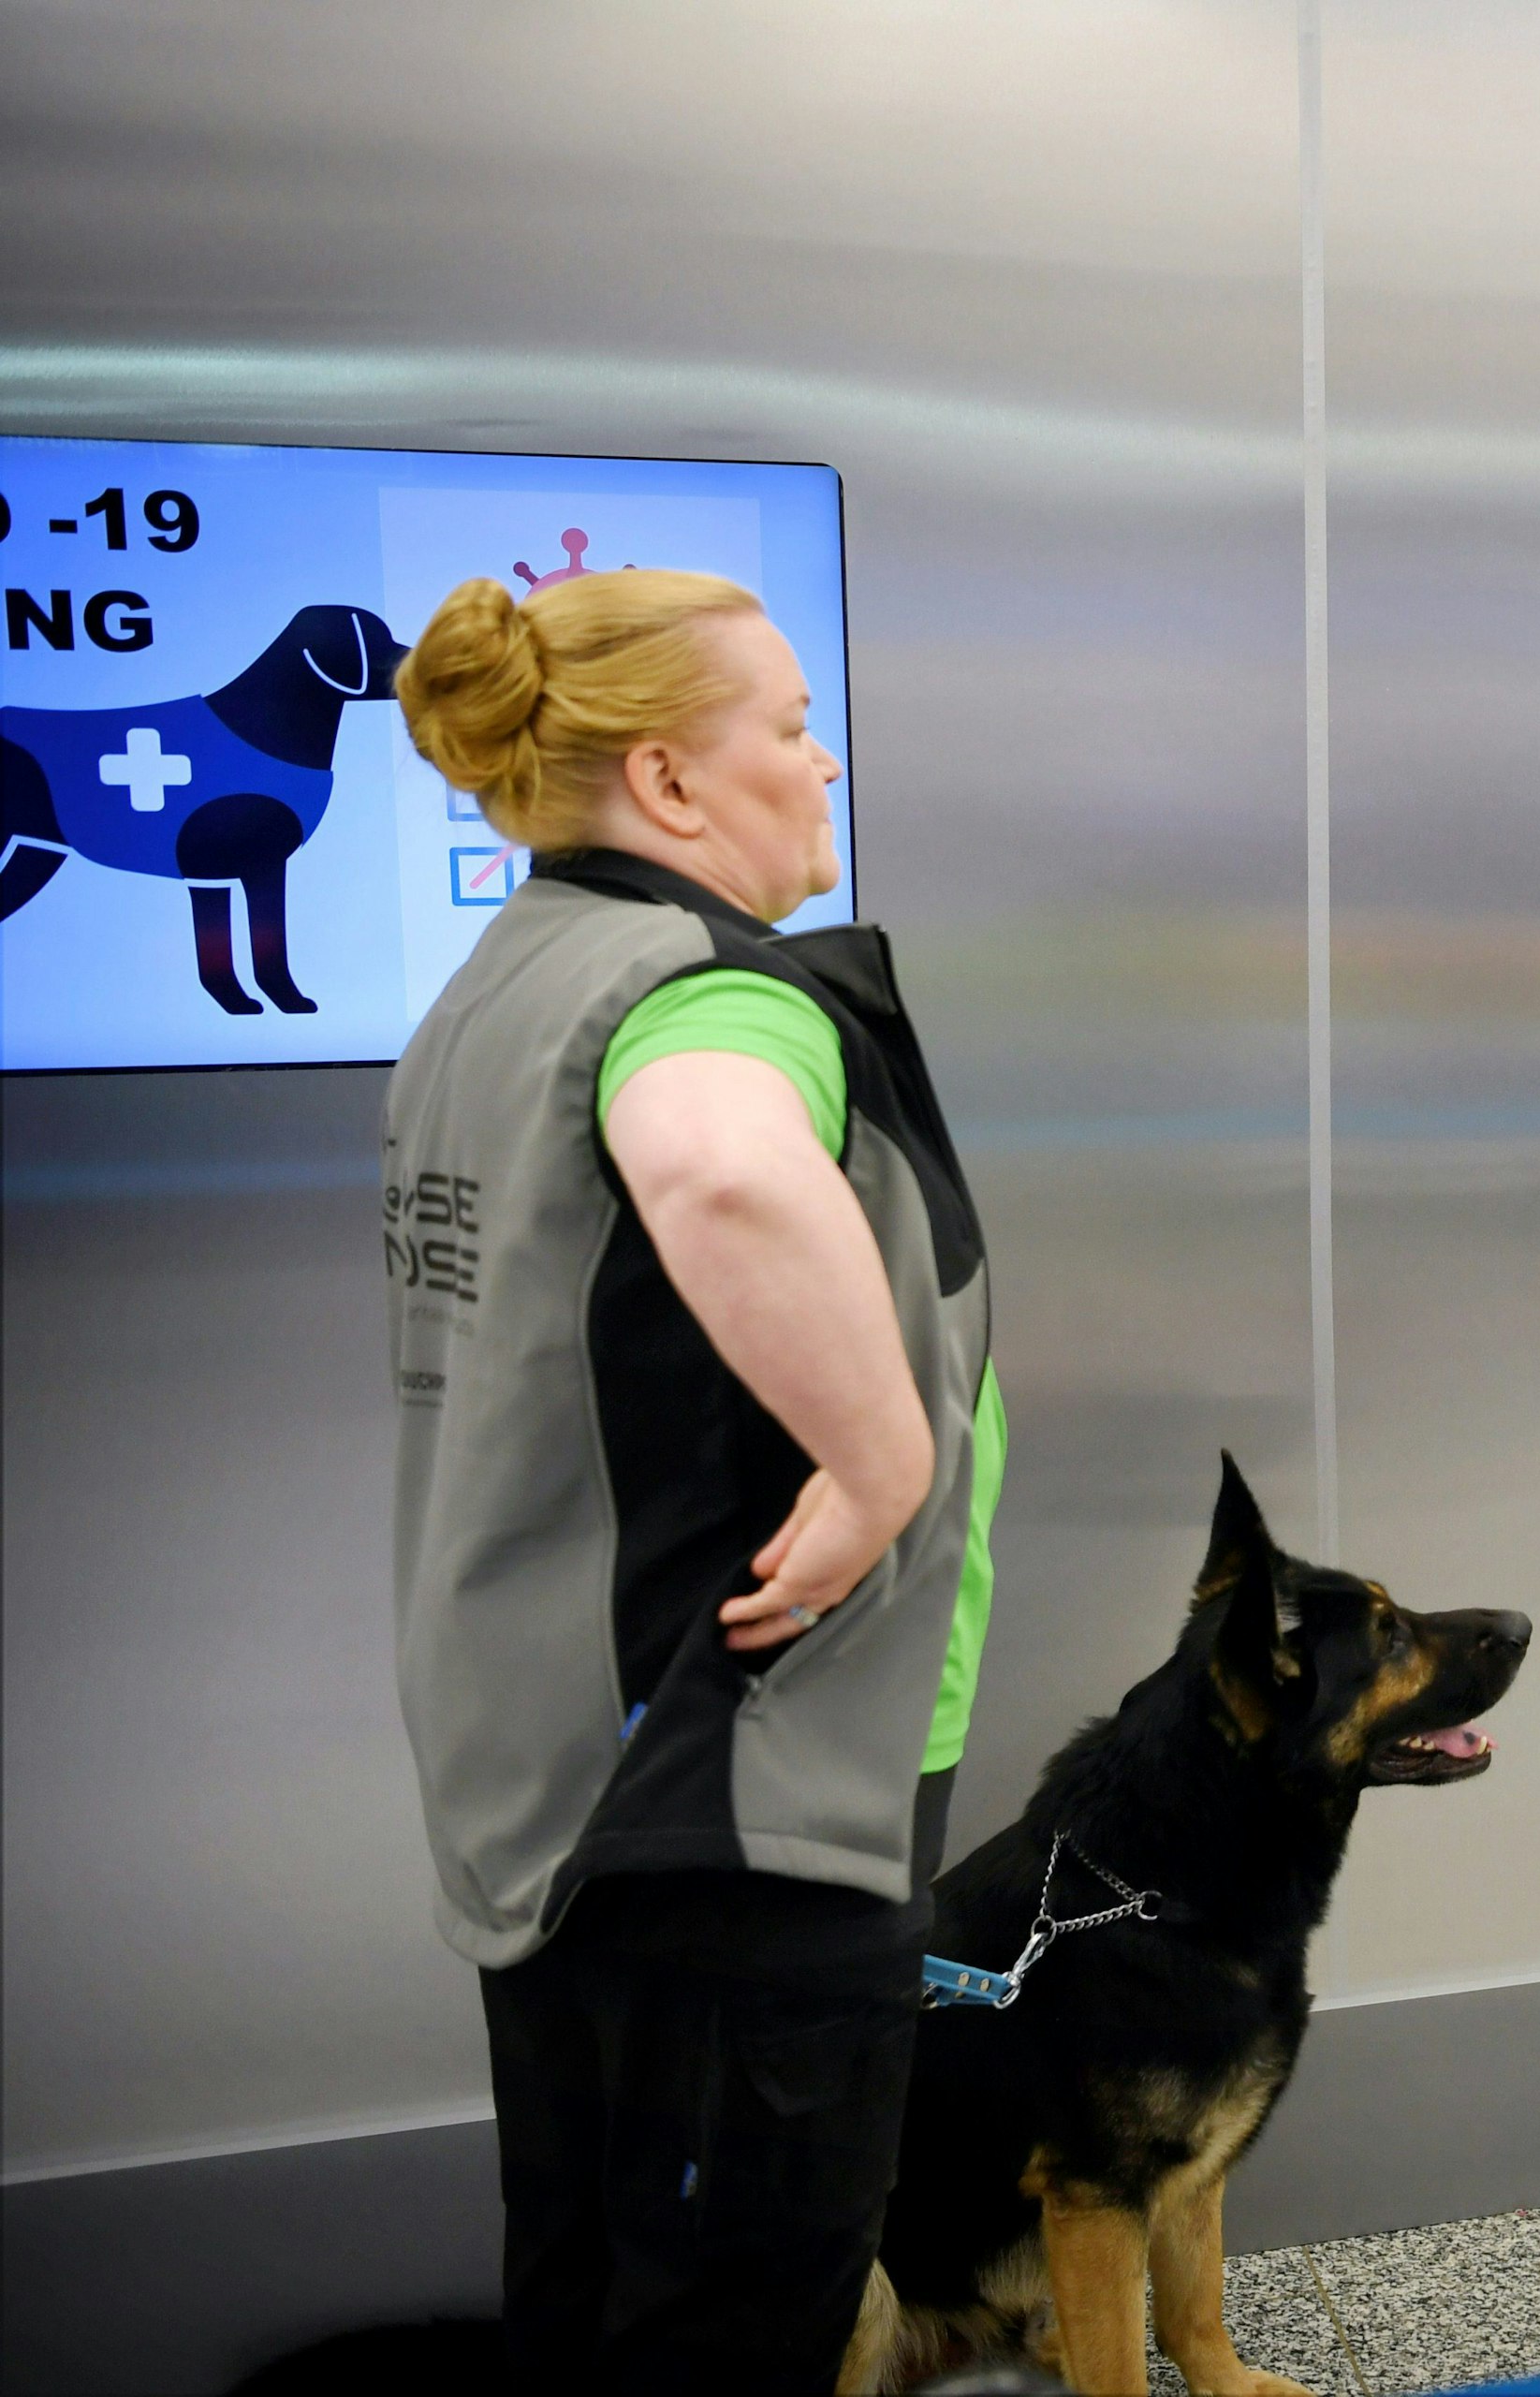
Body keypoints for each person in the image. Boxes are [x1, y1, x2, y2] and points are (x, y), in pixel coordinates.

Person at [385, 569, 1008, 2390]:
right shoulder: (698, 996)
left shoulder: (502, 990)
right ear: (667, 781)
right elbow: (724, 1170)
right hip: (733, 1793)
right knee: (738, 2317)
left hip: (561, 1778)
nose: (825, 760)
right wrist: (882, 1449)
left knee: (592, 2284)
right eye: (792, 725)